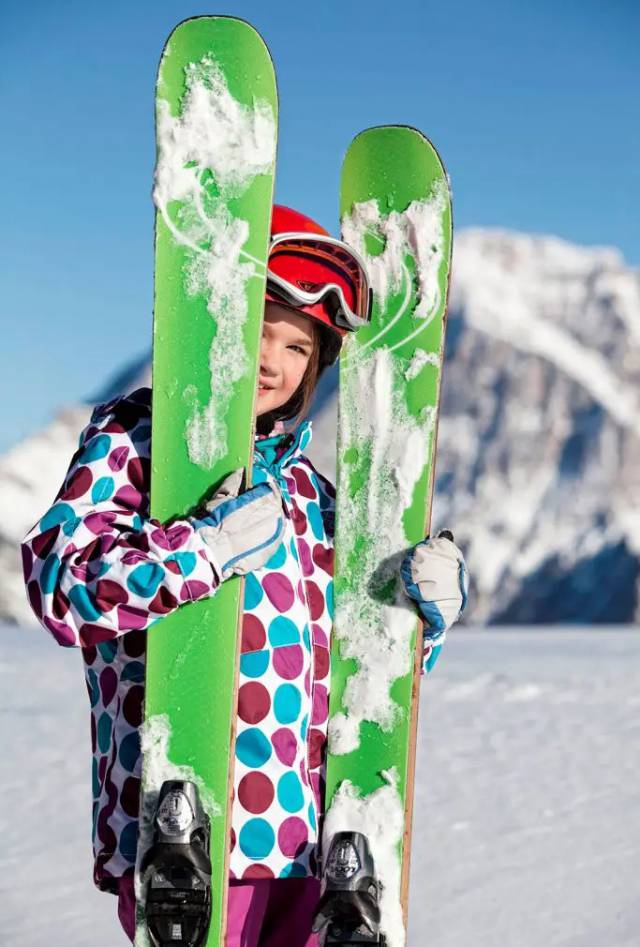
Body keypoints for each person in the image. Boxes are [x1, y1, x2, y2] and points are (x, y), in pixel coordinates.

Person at [21, 205, 468, 946]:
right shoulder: (137, 441)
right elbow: (60, 583)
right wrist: (196, 554)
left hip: (313, 846)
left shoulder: (312, 493)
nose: (273, 359)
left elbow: (351, 659)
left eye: (299, 345)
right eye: (260, 327)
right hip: (185, 843)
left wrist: (421, 619)